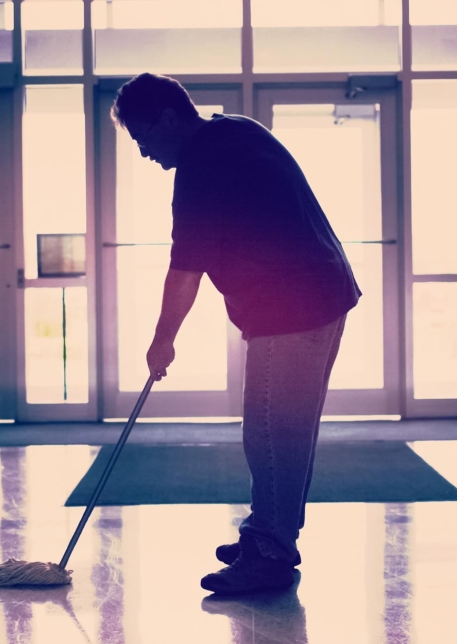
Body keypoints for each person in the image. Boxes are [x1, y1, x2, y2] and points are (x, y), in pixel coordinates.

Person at [111, 73, 361, 595]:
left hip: (293, 309)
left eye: (141, 137)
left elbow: (185, 271)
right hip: (321, 294)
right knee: (287, 432)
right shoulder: (235, 130)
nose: (142, 152)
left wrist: (162, 341)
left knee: (272, 434)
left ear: (167, 119)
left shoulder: (202, 167)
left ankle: (269, 553)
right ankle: (268, 534)